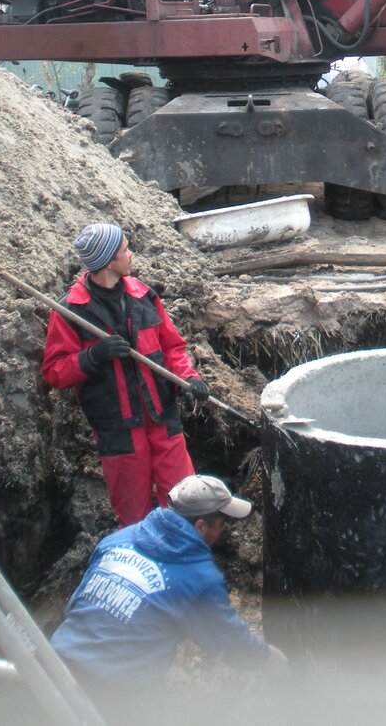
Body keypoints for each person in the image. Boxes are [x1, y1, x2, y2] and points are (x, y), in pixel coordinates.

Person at [50, 475, 284, 712]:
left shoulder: (117, 540)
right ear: (201, 527)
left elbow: (76, 605)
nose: (222, 531)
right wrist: (267, 657)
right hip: (112, 688)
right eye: (221, 524)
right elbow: (228, 640)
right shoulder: (200, 578)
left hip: (54, 662)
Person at [42, 223, 209, 526]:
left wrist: (189, 379)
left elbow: (172, 347)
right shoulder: (71, 311)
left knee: (187, 507)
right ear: (107, 261)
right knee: (135, 519)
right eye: (125, 250)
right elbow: (54, 372)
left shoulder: (144, 297)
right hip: (119, 432)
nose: (131, 254)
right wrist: (92, 356)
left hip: (163, 420)